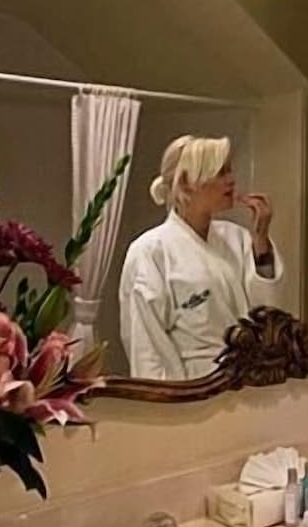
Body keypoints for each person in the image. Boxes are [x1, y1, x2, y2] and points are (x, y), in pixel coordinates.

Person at [119, 134, 283, 379]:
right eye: (220, 172)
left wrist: (260, 237)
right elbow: (146, 344)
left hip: (248, 379)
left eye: (230, 171)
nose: (231, 180)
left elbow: (268, 314)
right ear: (187, 182)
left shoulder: (237, 237)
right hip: (193, 382)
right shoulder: (150, 251)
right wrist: (169, 396)